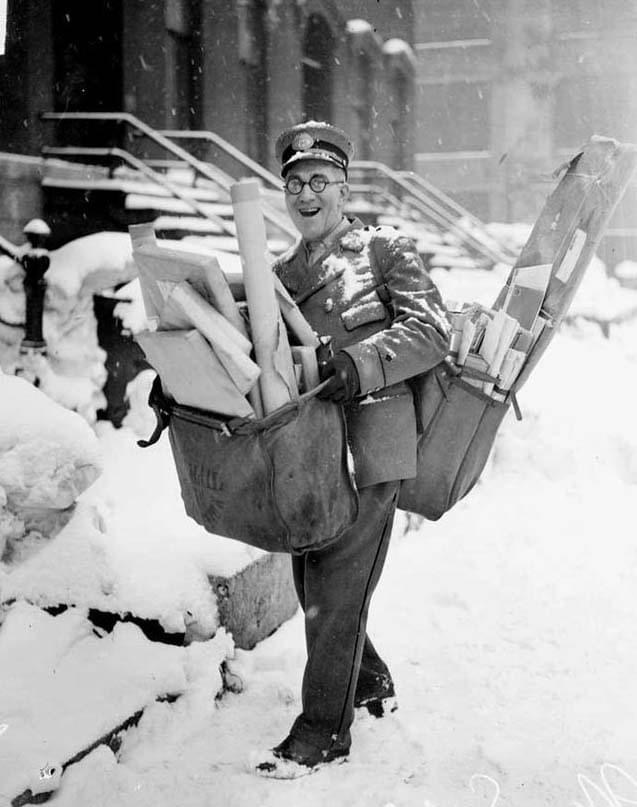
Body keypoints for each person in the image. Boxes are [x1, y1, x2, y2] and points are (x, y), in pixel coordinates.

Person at [254, 121, 451, 778]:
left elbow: (431, 330)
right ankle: (366, 681)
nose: (305, 195)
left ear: (342, 187)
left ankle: (321, 731)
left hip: (371, 447)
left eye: (318, 181)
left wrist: (359, 365)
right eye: (293, 184)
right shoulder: (277, 276)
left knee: (336, 589)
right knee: (310, 580)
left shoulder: (384, 250)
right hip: (307, 456)